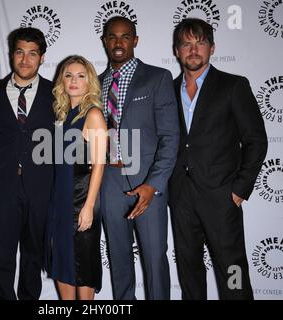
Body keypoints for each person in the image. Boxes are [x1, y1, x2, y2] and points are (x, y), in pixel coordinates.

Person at [168, 18, 268, 300]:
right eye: (186, 44)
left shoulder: (233, 86)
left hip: (221, 197)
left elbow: (256, 141)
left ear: (212, 48)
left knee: (231, 270)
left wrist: (239, 190)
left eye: (200, 42)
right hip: (181, 197)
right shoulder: (168, 90)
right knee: (188, 272)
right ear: (177, 51)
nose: (193, 49)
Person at [99, 16, 179, 300]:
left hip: (148, 183)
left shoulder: (157, 78)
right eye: (112, 36)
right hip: (109, 182)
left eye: (124, 36)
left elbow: (170, 137)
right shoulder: (96, 84)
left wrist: (153, 184)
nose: (118, 43)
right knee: (119, 259)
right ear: (105, 41)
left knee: (155, 259)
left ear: (135, 40)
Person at [0, 27, 55, 300]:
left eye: (32, 54)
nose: (25, 60)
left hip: (41, 188)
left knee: (33, 257)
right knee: (2, 257)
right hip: (3, 187)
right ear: (11, 55)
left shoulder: (55, 92)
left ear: (42, 57)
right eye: (20, 53)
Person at [45, 55, 107, 300]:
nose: (74, 80)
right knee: (62, 263)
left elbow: (99, 165)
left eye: (81, 75)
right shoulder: (61, 115)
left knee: (83, 266)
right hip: (58, 203)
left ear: (89, 81)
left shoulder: (93, 115)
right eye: (69, 75)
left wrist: (89, 206)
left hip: (81, 201)